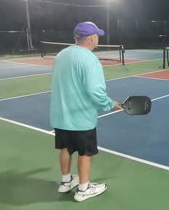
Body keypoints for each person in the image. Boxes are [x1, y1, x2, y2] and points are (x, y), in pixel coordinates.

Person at [50, 21, 122, 202]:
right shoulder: (89, 59)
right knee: (85, 152)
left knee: (65, 148)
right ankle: (83, 189)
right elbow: (95, 91)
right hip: (81, 117)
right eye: (97, 35)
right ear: (91, 38)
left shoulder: (61, 55)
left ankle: (66, 182)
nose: (98, 38)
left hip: (61, 115)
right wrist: (109, 104)